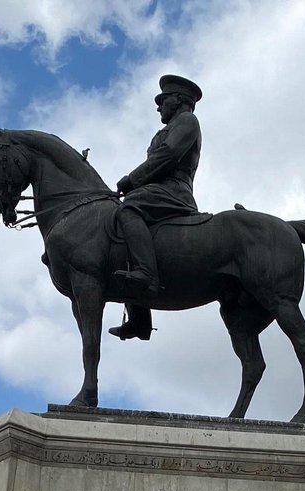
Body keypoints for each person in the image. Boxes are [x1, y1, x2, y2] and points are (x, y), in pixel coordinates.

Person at [109, 74, 204, 340]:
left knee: (128, 210)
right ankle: (139, 319)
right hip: (155, 191)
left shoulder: (187, 122)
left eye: (163, 100)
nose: (159, 106)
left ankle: (147, 275)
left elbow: (169, 156)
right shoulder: (167, 128)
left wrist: (132, 180)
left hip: (174, 192)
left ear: (178, 99)